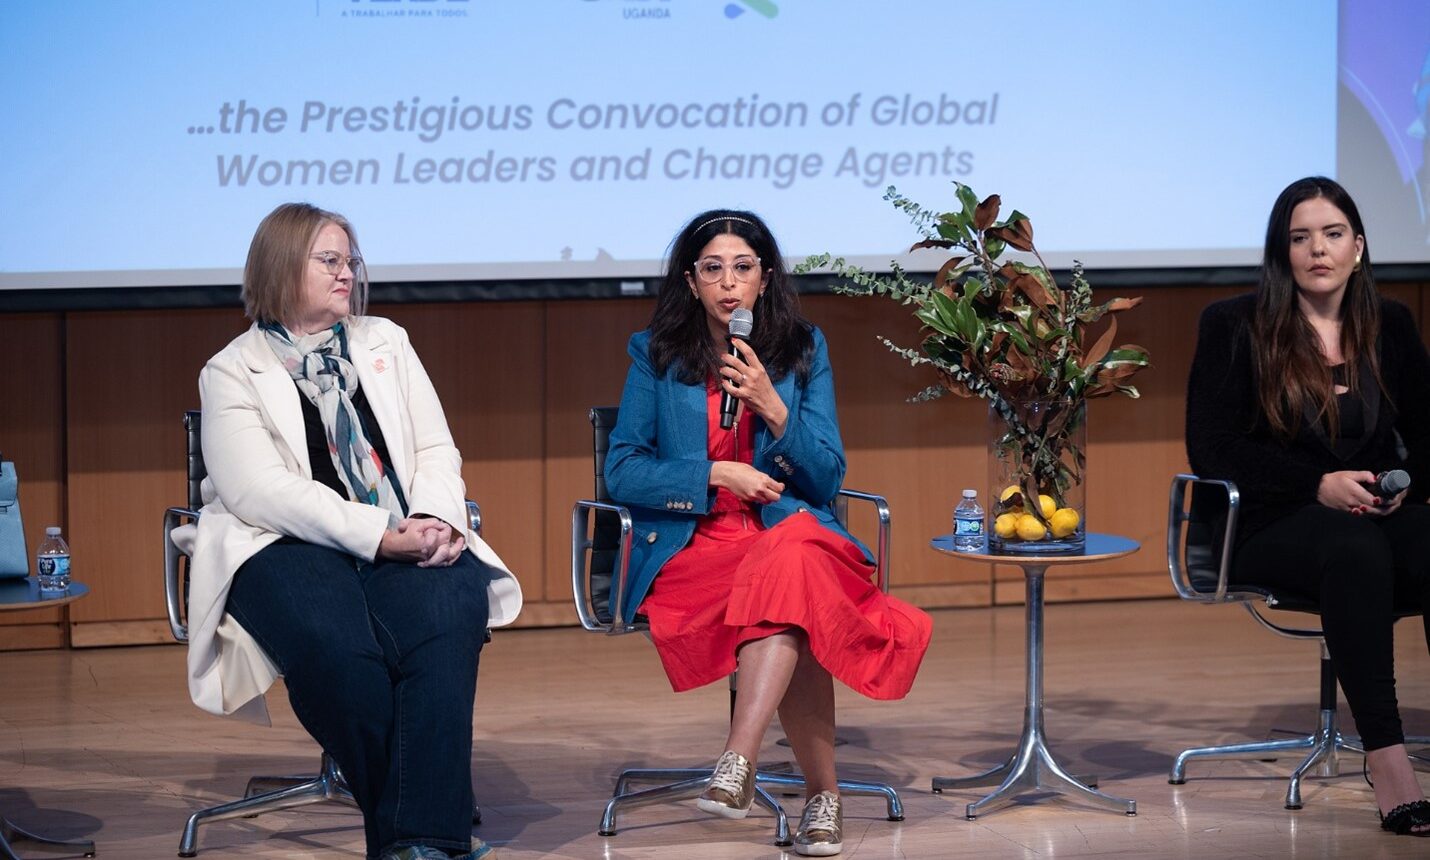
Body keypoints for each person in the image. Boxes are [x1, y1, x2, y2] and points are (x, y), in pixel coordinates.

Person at [184, 202, 523, 860]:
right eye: (330, 261)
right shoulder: (232, 369)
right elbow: (259, 491)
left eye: (351, 260)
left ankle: (416, 845)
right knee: (340, 652)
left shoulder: (385, 341)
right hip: (279, 544)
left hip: (401, 529)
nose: (348, 273)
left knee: (449, 612)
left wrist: (433, 519)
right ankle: (427, 833)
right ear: (283, 267)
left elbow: (434, 450)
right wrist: (380, 535)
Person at [604, 209, 933, 856]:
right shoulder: (657, 353)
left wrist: (775, 410)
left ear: (765, 278)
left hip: (784, 529)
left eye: (743, 267)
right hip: (695, 543)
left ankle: (740, 757)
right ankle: (823, 797)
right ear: (691, 281)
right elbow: (623, 469)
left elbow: (827, 474)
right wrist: (716, 473)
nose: (729, 283)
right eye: (713, 269)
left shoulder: (804, 349)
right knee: (797, 591)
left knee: (792, 562)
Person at [1186, 177, 1430, 837]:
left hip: (1373, 514)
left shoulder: (1393, 325)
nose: (1317, 250)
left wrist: (1403, 481)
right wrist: (1316, 484)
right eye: (1300, 238)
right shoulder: (1235, 324)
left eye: (1331, 234)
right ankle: (1390, 765)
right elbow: (1213, 448)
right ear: (1281, 250)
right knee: (1354, 551)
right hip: (1267, 520)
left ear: (1359, 245)